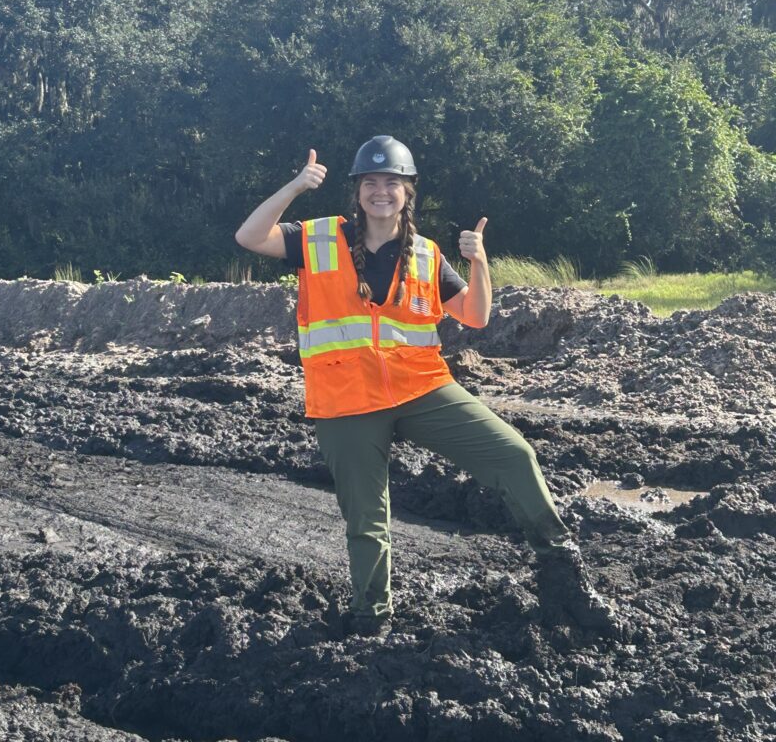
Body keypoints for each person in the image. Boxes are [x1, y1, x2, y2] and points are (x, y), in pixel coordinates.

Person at [235, 135, 618, 638]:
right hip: (346, 399)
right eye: (370, 182)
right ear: (357, 190)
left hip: (421, 389)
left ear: (408, 192)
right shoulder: (317, 238)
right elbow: (249, 236)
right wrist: (296, 186)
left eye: (392, 183)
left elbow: (476, 316)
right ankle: (370, 619)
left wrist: (480, 261)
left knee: (514, 455)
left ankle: (561, 572)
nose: (381, 191)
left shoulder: (425, 254)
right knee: (368, 523)